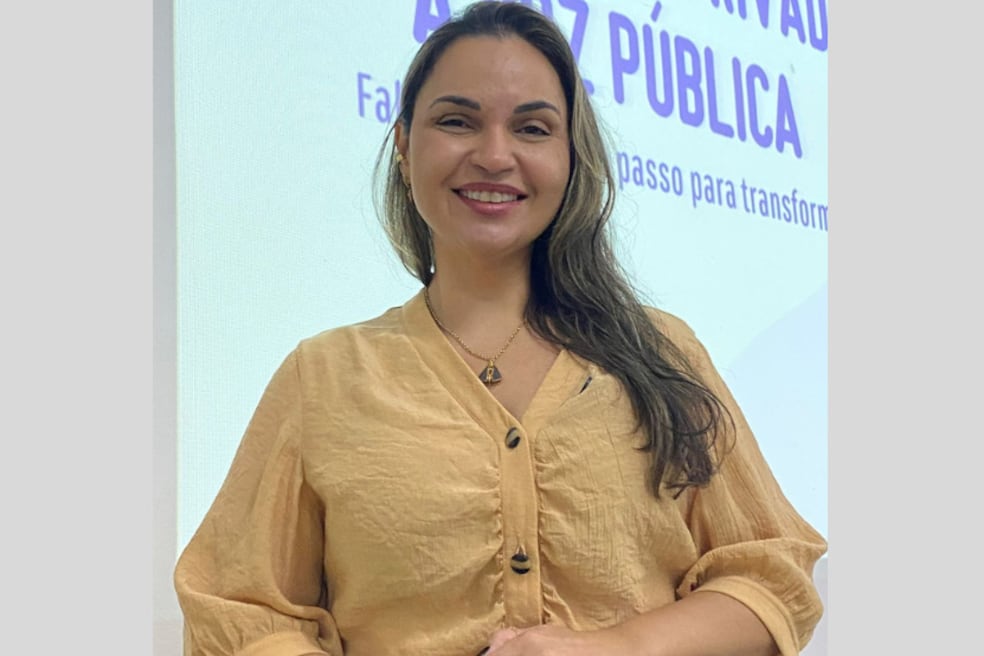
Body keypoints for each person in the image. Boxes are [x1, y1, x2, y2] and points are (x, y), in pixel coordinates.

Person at [174, 2, 827, 655]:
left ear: (571, 155)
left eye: (532, 128)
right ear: (403, 145)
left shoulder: (662, 354)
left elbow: (770, 575)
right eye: (457, 121)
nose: (493, 155)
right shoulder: (322, 376)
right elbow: (238, 611)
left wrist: (618, 647)